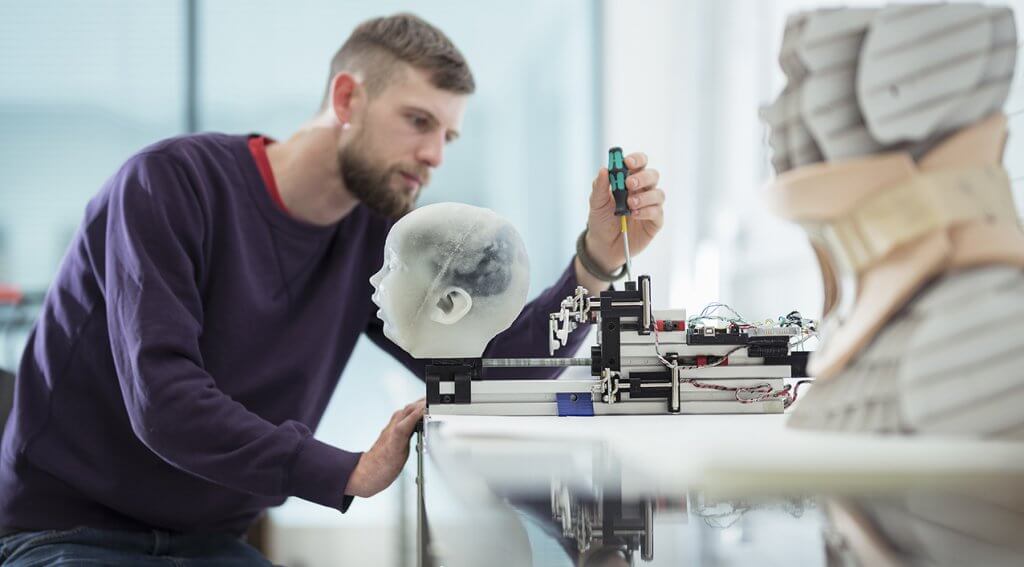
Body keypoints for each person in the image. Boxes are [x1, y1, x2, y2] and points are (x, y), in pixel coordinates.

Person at [0, 12, 666, 565]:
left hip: (208, 547)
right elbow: (164, 401)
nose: (437, 153)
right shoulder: (167, 186)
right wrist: (347, 468)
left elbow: (492, 370)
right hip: (65, 534)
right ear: (348, 99)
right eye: (418, 121)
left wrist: (595, 264)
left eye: (449, 133)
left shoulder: (374, 240)